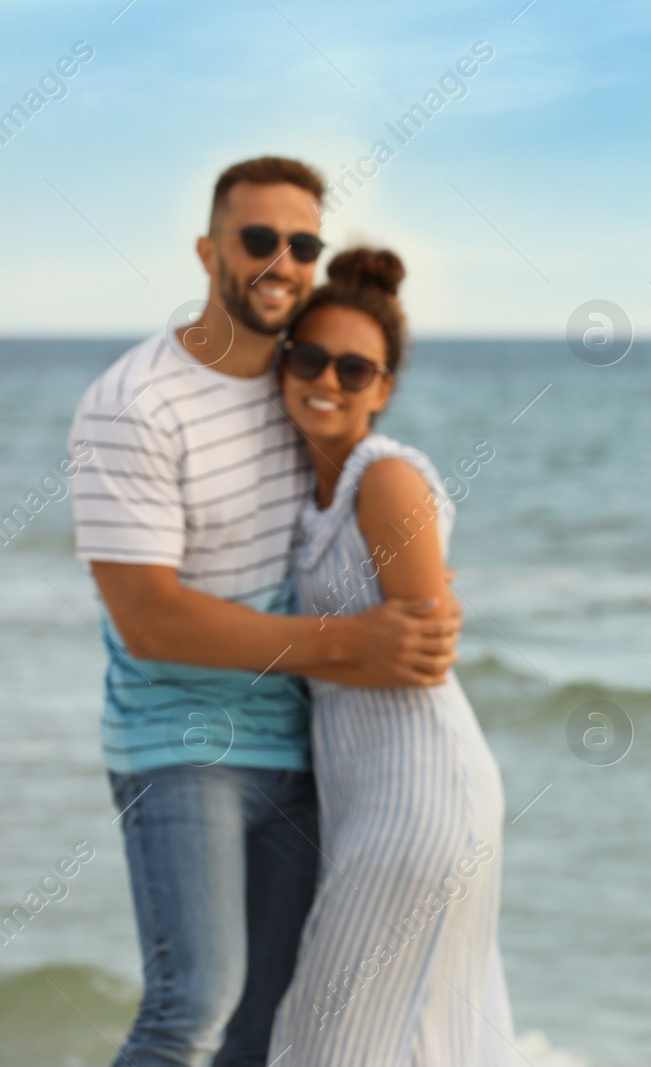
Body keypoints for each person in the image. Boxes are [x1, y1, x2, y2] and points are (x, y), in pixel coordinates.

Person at [68, 157, 461, 1067]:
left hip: (297, 750)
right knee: (190, 1007)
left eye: (303, 243)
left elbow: (365, 503)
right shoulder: (133, 405)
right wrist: (355, 642)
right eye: (257, 238)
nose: (281, 259)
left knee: (271, 1026)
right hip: (177, 743)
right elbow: (151, 620)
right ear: (209, 250)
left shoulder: (299, 386)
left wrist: (430, 598)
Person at [264, 247, 515, 1066]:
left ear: (384, 386)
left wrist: (268, 652)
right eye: (308, 356)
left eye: (353, 366)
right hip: (373, 795)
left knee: (324, 1041)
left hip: (419, 795)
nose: (326, 379)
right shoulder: (311, 495)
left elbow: (423, 652)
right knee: (419, 1041)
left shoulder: (386, 478)